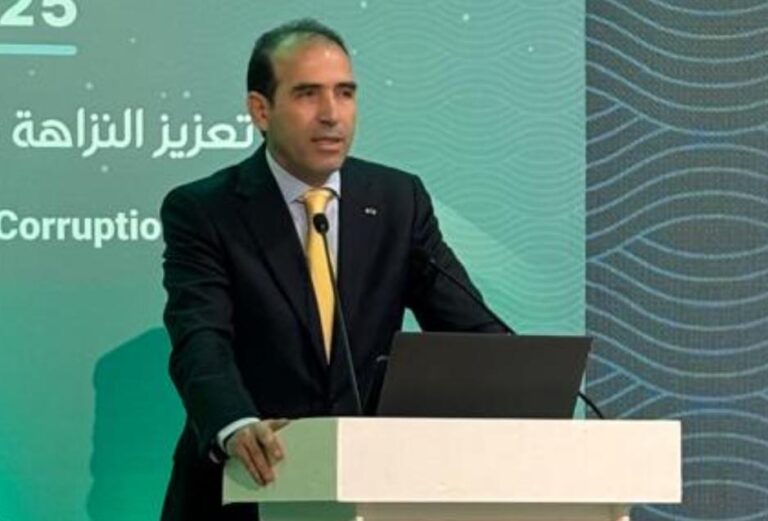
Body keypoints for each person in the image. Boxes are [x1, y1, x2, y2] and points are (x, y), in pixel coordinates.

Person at [159, 18, 506, 521]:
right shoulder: (206, 210)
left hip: (371, 489)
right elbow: (200, 339)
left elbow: (468, 330)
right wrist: (234, 424)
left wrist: (525, 385)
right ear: (261, 109)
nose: (331, 114)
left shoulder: (398, 199)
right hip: (247, 484)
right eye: (307, 94)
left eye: (345, 93)